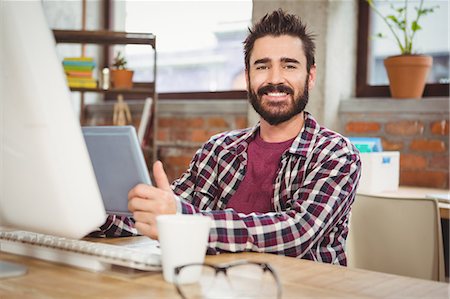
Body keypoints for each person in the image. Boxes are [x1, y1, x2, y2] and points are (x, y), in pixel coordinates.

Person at [101, 9, 361, 266]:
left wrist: (183, 220)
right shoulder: (218, 150)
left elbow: (296, 233)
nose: (274, 79)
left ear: (310, 76)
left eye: (289, 66)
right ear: (248, 77)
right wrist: (95, 214)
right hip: (217, 287)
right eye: (262, 66)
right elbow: (167, 209)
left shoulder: (336, 154)